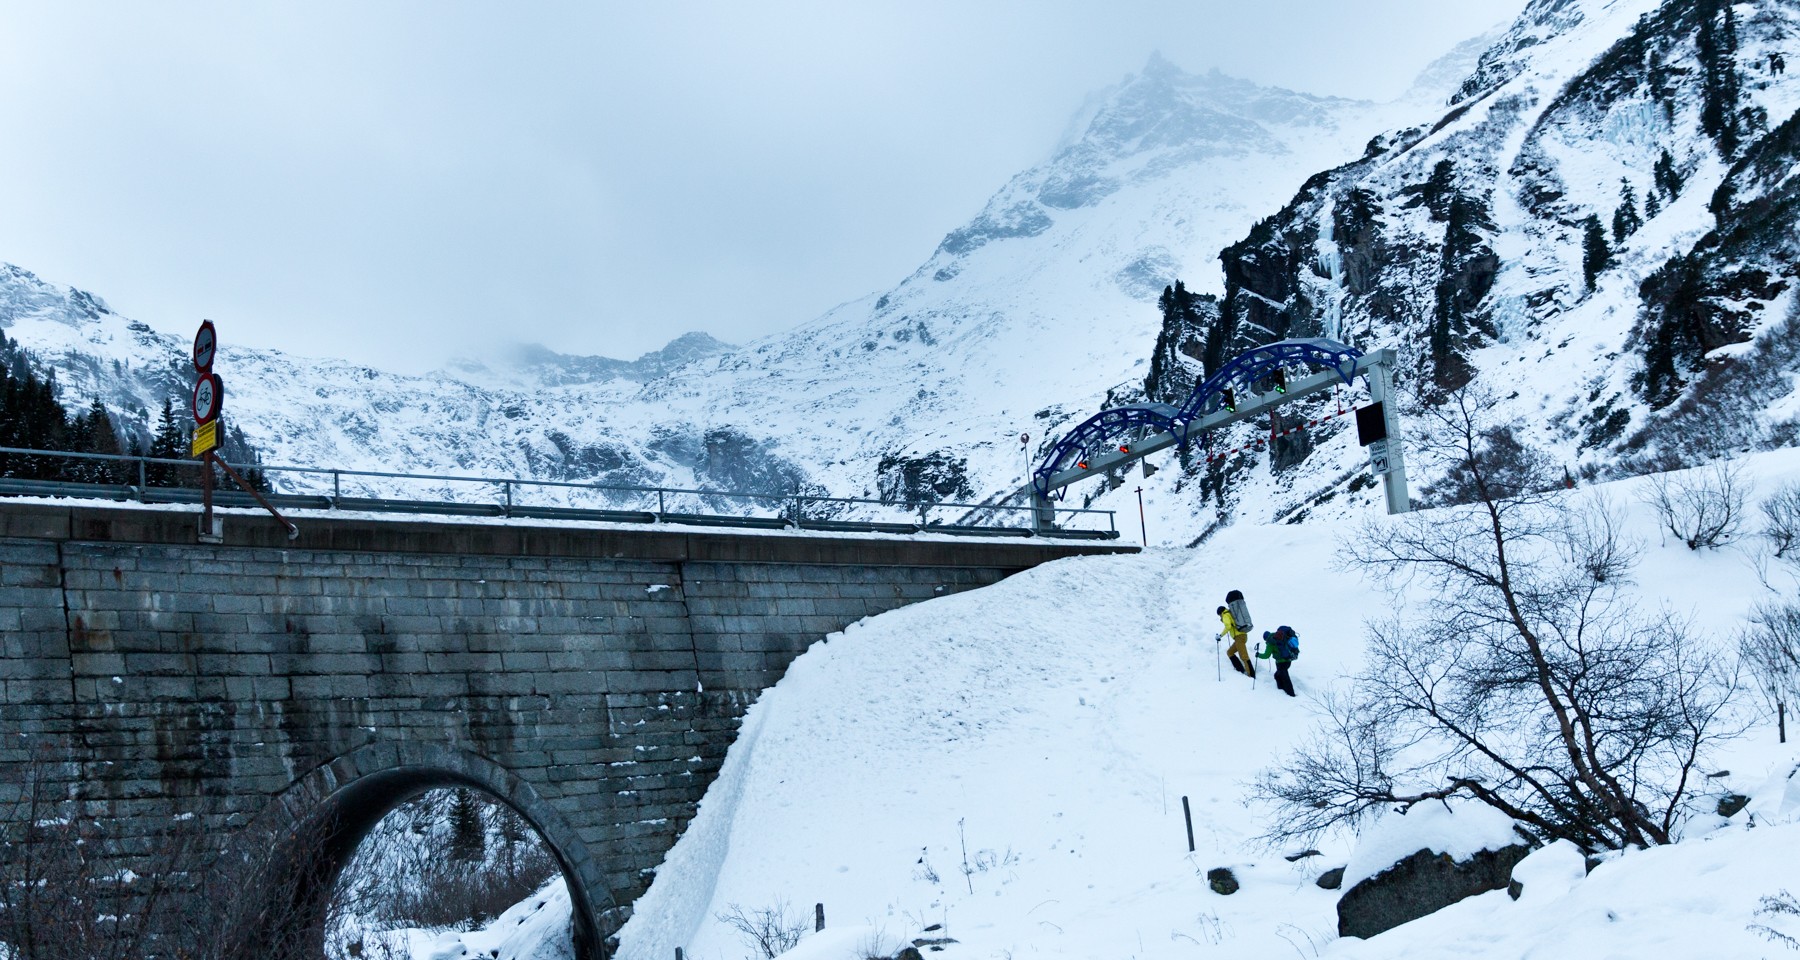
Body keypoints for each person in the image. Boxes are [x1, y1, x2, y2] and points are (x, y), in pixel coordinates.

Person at [1257, 625, 1299, 697]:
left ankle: (1291, 694)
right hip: (1288, 660)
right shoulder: (1279, 636)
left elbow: (1266, 655)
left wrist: (1258, 655)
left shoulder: (1270, 643)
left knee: (1285, 677)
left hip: (1281, 663)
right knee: (1278, 675)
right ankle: (1282, 690)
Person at [1217, 603, 1254, 678]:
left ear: (1220, 613)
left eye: (1219, 615)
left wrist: (1220, 635)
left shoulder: (1225, 615)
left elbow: (1228, 626)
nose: (1220, 617)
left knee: (1244, 656)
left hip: (1239, 637)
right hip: (1242, 636)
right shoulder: (1230, 613)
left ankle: (1251, 675)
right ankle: (1240, 669)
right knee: (1230, 652)